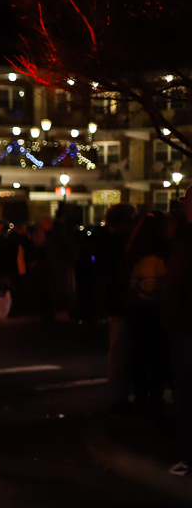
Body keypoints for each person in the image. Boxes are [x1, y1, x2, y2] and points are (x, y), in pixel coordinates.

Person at [122, 211, 170, 416]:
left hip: (137, 308)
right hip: (160, 307)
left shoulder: (132, 250)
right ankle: (156, 396)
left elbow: (123, 279)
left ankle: (141, 397)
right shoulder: (167, 249)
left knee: (139, 354)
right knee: (160, 354)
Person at [162, 193, 192, 474]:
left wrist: (167, 319)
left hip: (185, 327)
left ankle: (189, 456)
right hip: (183, 326)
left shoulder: (185, 242)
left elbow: (174, 286)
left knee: (187, 394)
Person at [101, 203, 138, 410]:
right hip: (120, 303)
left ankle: (119, 396)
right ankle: (118, 399)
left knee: (120, 350)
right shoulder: (119, 245)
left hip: (116, 303)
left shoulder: (109, 243)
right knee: (120, 351)